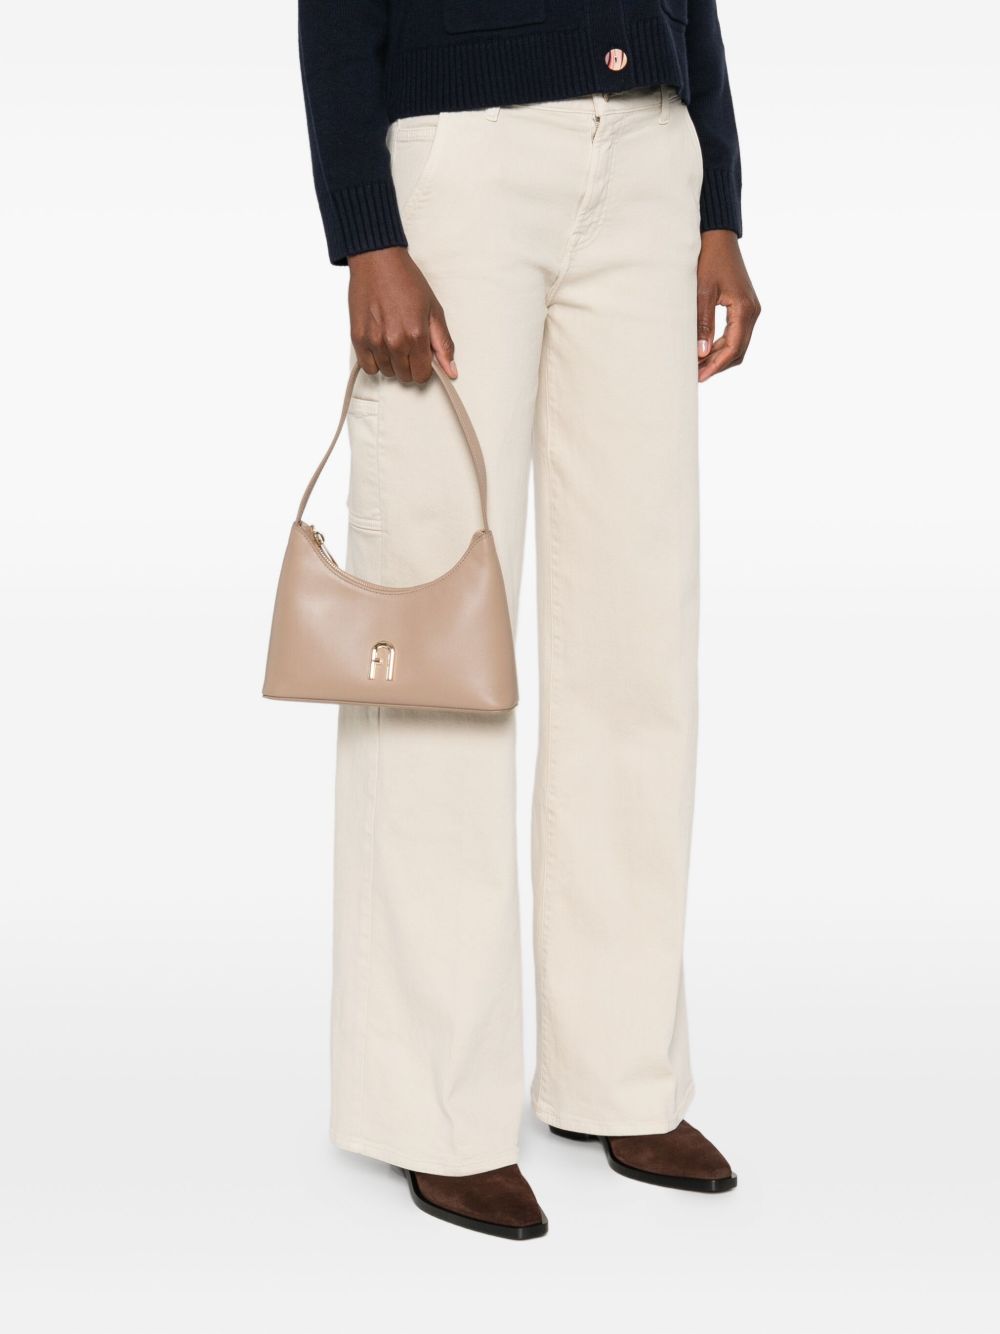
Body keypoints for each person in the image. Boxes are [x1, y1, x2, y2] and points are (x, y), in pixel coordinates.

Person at [297, 0, 760, 1239]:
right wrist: (366, 232)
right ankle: (430, 1104)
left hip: (648, 160)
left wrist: (716, 205)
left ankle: (621, 1075)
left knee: (636, 637)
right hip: (464, 164)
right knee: (440, 647)